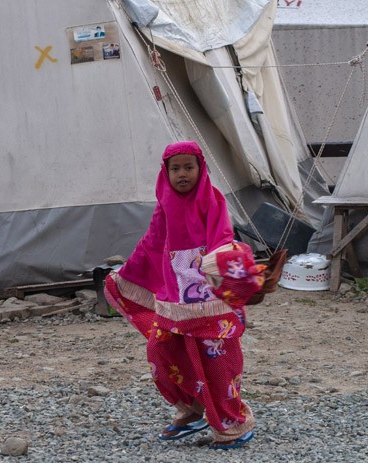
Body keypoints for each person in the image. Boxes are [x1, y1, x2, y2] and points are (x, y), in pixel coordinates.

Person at [104, 140, 263, 450]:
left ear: (200, 169)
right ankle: (193, 408)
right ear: (166, 173)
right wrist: (125, 277)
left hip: (208, 296)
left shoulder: (211, 199)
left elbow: (223, 236)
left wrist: (219, 264)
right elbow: (152, 242)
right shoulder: (165, 204)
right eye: (175, 168)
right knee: (161, 351)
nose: (182, 174)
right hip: (173, 296)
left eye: (188, 167)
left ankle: (232, 422)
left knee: (217, 359)